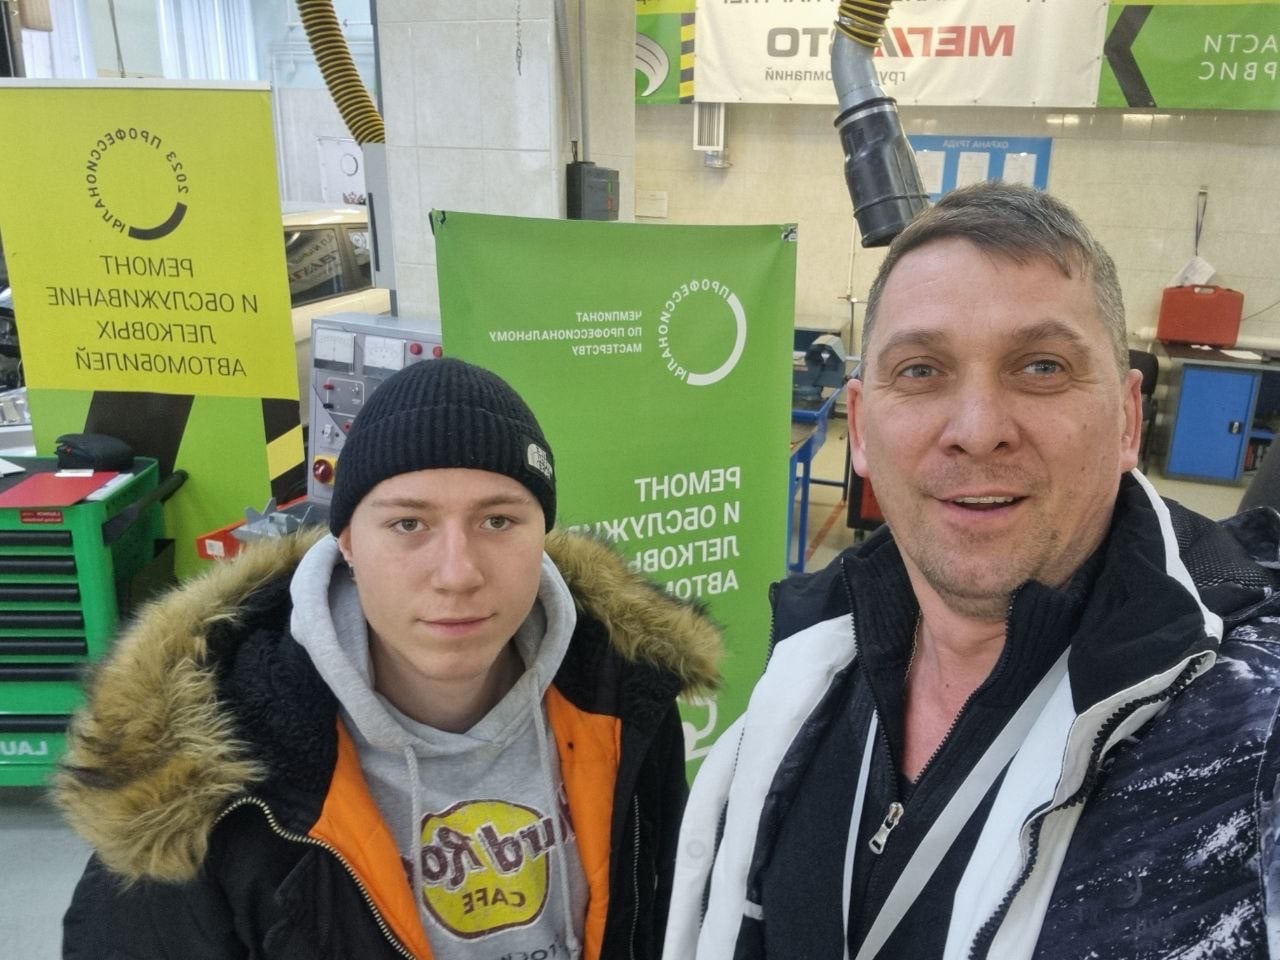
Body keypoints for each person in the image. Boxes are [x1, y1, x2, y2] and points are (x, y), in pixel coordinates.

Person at [663, 182, 1280, 960]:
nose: (979, 430)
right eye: (921, 371)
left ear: (1127, 419)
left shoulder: (1248, 735)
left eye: (1043, 366)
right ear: (861, 428)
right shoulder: (809, 658)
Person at [57, 357, 722, 960]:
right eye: (409, 524)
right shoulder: (200, 774)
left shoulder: (624, 689)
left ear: (541, 535)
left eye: (498, 521)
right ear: (348, 542)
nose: (457, 574)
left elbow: (670, 914)